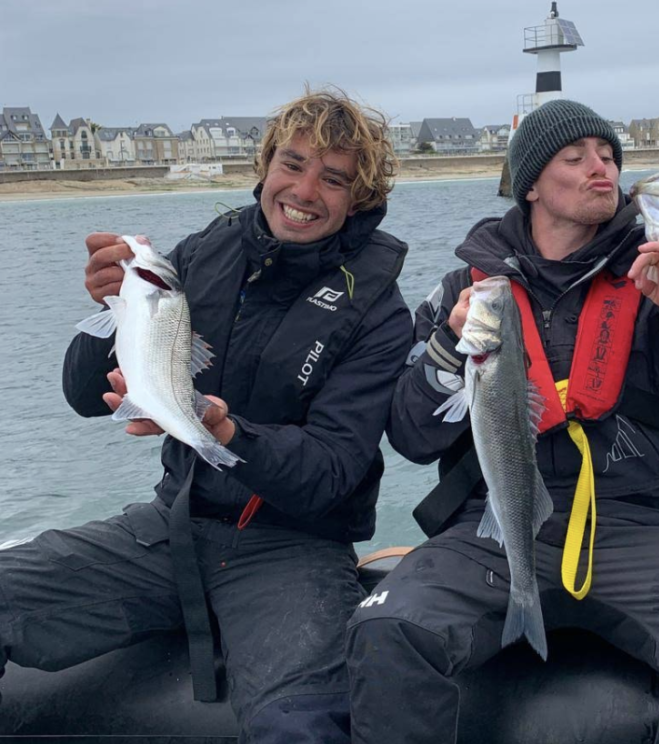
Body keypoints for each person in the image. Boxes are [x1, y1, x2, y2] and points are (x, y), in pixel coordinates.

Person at [345, 99, 659, 743]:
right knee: (386, 631)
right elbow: (409, 435)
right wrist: (444, 350)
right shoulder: (465, 290)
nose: (600, 168)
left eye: (608, 156)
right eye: (574, 158)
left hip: (639, 520)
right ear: (532, 186)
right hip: (492, 524)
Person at [0, 89, 412, 743]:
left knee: (299, 725)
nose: (304, 189)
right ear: (265, 164)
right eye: (292, 163)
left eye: (332, 178)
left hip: (294, 549)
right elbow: (83, 393)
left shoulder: (382, 313)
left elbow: (332, 470)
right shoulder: (199, 254)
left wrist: (223, 428)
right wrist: (115, 307)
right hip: (172, 527)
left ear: (357, 197)